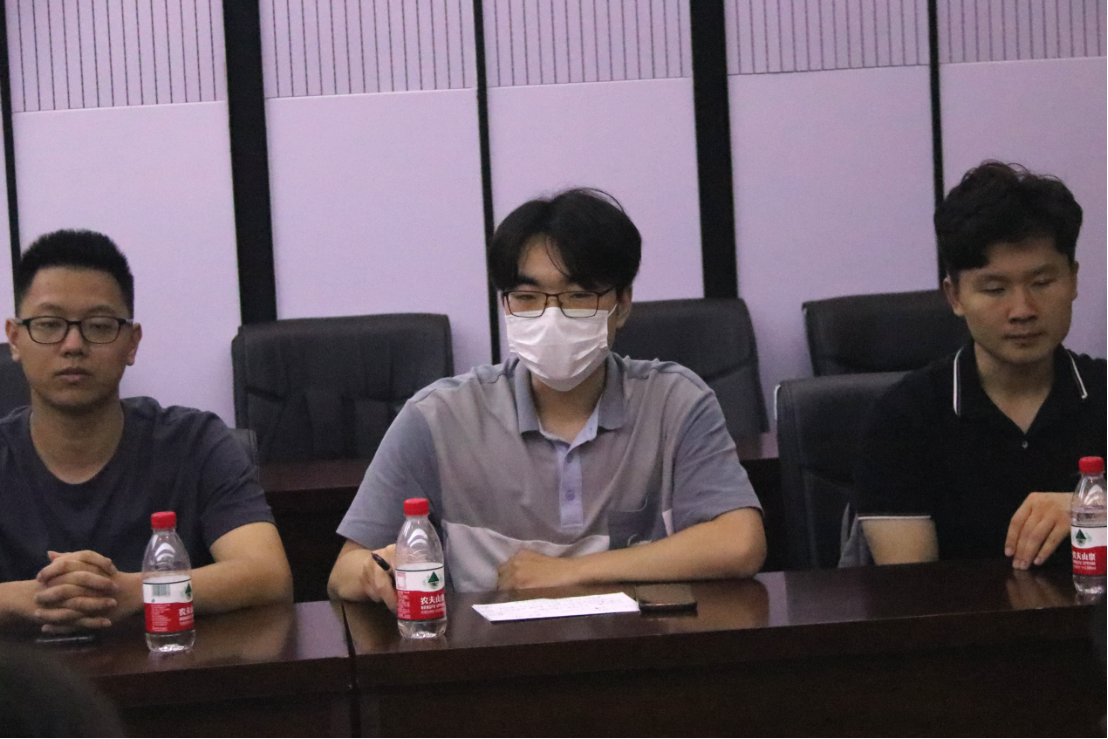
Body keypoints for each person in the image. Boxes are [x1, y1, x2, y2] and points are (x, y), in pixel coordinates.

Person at [329, 189, 765, 606]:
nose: (552, 317)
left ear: (623, 303)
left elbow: (740, 543)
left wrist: (571, 572)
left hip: (641, 647)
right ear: (505, 306)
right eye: (527, 297)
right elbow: (344, 571)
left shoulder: (676, 402)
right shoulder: (438, 417)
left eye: (578, 296)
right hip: (493, 651)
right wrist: (372, 572)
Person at [0, 230, 292, 635]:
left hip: (173, 670)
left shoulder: (195, 442)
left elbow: (268, 575)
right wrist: (34, 598)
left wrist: (136, 591)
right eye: (49, 325)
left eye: (99, 325)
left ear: (132, 343)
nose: (73, 344)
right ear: (15, 339)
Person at [854, 162, 1106, 568]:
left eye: (1042, 283)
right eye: (994, 289)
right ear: (954, 297)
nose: (1022, 310)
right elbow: (911, 590)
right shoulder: (904, 418)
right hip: (959, 613)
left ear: (1073, 281)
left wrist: (1093, 509)